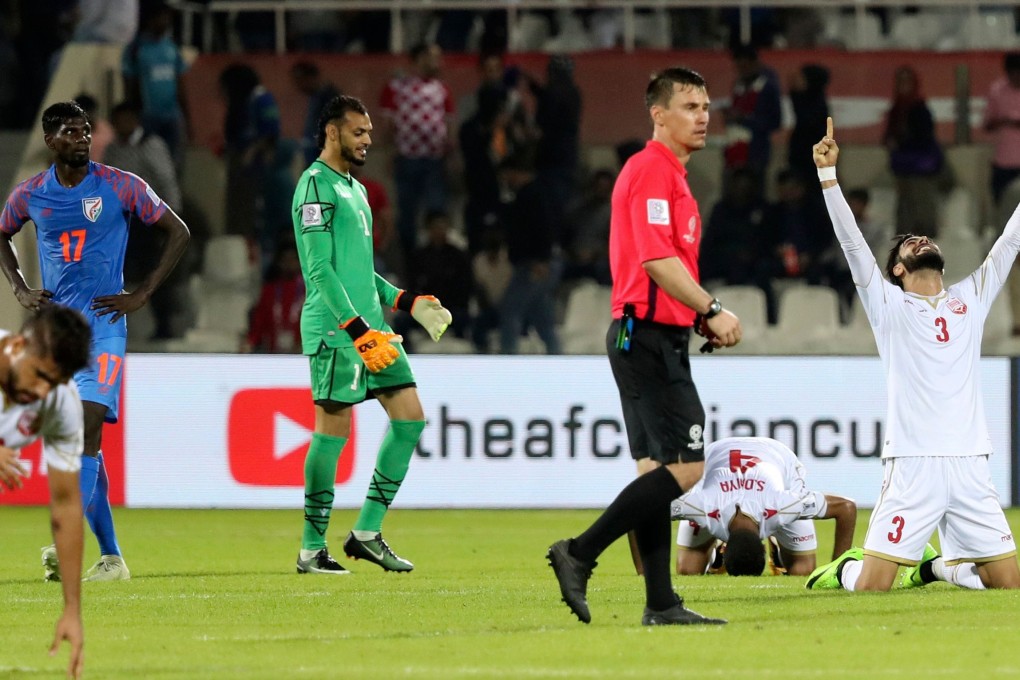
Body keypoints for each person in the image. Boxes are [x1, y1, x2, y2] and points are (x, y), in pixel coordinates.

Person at [546, 66, 742, 627]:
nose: (702, 115)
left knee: (654, 470)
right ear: (658, 114)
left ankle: (660, 602)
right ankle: (578, 553)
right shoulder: (652, 170)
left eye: (706, 105)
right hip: (646, 338)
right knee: (687, 468)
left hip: (652, 334)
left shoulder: (671, 177)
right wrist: (710, 308)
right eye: (689, 106)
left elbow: (660, 264)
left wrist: (693, 316)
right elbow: (657, 263)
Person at [805, 117, 1020, 593]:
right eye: (907, 244)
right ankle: (842, 569)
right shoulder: (889, 305)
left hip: (969, 461)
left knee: (1009, 587)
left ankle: (938, 567)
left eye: (922, 237)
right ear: (898, 269)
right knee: (871, 589)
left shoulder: (973, 297)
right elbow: (852, 244)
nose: (918, 238)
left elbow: (1011, 240)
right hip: (914, 463)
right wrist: (828, 178)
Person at [0, 100, 191, 582]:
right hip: (56, 334)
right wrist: (21, 288)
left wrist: (142, 292)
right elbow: (1, 233)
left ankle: (67, 536)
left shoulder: (120, 185)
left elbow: (178, 231)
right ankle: (111, 558)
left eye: (86, 130)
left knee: (85, 429)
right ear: (50, 140)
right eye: (70, 131)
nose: (82, 137)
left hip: (104, 326)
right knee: (84, 442)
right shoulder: (31, 195)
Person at [292, 94, 453, 575]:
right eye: (358, 132)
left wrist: (407, 301)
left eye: (369, 134)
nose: (367, 141)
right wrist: (358, 331)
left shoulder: (356, 190)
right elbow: (319, 271)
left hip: (374, 332)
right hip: (338, 333)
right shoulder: (314, 187)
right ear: (332, 132)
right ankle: (311, 548)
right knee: (332, 433)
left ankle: (365, 531)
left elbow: (362, 272)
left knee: (410, 420)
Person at [0, 305, 92, 680]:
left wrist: (72, 610)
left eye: (52, 382)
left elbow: (66, 505)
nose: (40, 391)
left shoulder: (61, 401)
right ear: (18, 345)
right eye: (39, 375)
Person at [673, 436, 856, 577]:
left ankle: (777, 548)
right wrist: (641, 576)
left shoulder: (785, 505)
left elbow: (846, 508)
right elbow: (847, 507)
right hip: (717, 458)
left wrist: (837, 572)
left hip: (776, 456)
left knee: (803, 571)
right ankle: (716, 559)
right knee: (688, 570)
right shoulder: (701, 504)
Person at [378, 43, 455, 260]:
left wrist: (450, 154)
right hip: (407, 158)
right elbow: (387, 124)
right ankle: (410, 259)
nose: (438, 62)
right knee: (407, 214)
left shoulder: (442, 89)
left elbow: (449, 124)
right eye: (433, 57)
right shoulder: (396, 87)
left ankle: (437, 257)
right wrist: (389, 154)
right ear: (419, 59)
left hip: (434, 160)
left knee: (436, 210)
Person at [121, 0, 190, 169]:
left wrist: (187, 118)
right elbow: (129, 85)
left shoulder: (172, 47)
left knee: (174, 164)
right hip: (148, 117)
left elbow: (180, 83)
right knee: (147, 163)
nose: (165, 22)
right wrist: (132, 117)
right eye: (161, 18)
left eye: (167, 18)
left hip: (172, 116)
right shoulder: (136, 49)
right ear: (150, 20)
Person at [883, 66, 947, 238]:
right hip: (903, 165)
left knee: (921, 199)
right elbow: (889, 133)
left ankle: (925, 234)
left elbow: (924, 135)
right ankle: (904, 234)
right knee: (905, 201)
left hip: (920, 165)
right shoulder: (896, 108)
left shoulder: (920, 108)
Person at [291, 61, 341, 167]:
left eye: (300, 80)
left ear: (310, 78)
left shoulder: (329, 97)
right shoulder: (314, 97)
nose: (298, 86)